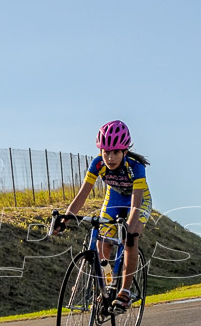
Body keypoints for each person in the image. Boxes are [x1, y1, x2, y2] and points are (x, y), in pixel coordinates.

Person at [52, 120, 152, 314]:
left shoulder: (135, 167)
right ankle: (107, 287)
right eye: (106, 152)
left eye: (115, 152)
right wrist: (65, 221)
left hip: (137, 200)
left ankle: (125, 292)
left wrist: (130, 227)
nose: (110, 157)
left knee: (130, 239)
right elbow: (82, 195)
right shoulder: (97, 164)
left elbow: (136, 203)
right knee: (102, 241)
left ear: (124, 151)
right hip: (114, 197)